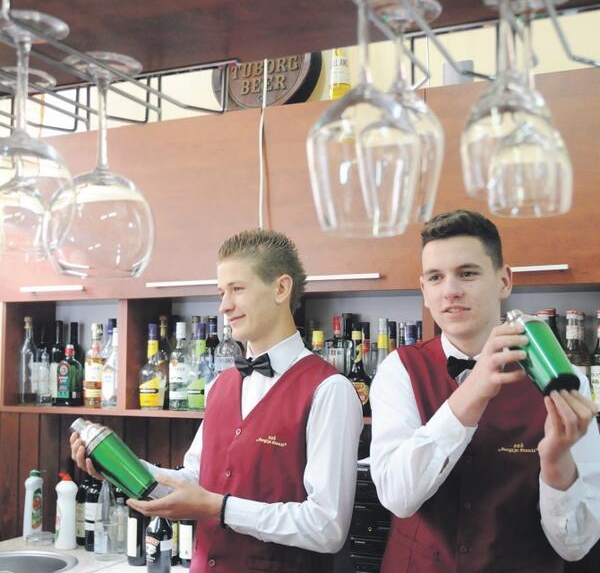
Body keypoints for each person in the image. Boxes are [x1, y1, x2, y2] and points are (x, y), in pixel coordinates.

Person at [71, 229, 363, 573]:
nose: (224, 306)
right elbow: (194, 481)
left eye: (237, 289)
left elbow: (327, 527)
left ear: (281, 289)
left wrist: (219, 508)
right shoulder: (221, 385)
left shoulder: (329, 390)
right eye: (222, 292)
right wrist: (120, 468)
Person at [370, 209, 600, 572]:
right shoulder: (398, 370)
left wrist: (556, 463)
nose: (451, 290)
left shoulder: (565, 379)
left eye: (467, 273)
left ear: (504, 281)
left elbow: (576, 547)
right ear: (425, 291)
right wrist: (472, 393)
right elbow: (397, 497)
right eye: (436, 277)